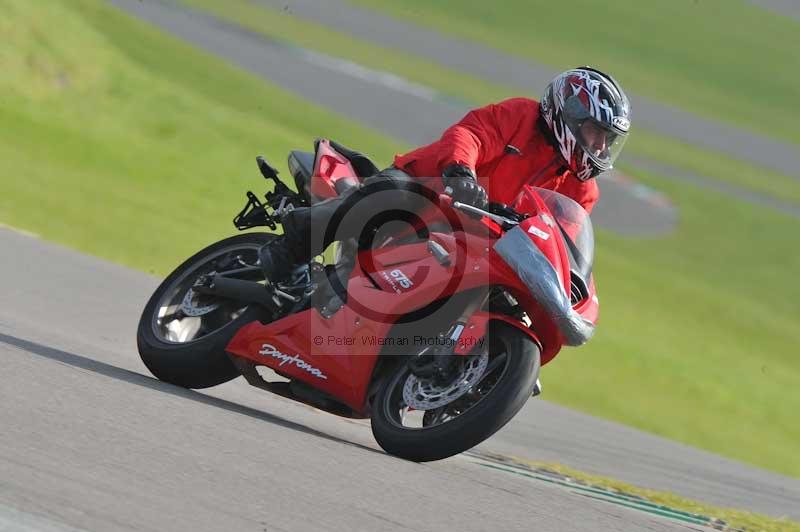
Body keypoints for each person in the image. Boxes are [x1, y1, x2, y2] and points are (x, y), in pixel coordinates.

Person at [259, 66, 631, 283]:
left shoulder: (583, 191)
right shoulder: (521, 116)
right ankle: (292, 246)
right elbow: (471, 135)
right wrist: (461, 172)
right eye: (595, 132)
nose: (600, 146)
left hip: (480, 244)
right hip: (431, 189)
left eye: (607, 139)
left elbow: (562, 244)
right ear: (569, 114)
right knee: (384, 197)